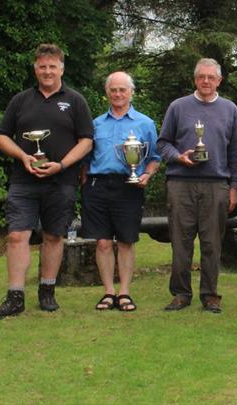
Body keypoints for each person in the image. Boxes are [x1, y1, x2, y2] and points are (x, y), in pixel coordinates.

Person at [0, 44, 94, 320]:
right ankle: (15, 297)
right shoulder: (20, 100)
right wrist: (23, 155)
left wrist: (63, 164)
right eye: (42, 66)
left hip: (62, 181)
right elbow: (2, 135)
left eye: (52, 66)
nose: (47, 71)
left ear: (61, 68)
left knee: (54, 235)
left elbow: (86, 140)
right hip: (24, 180)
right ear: (35, 69)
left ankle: (47, 291)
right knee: (16, 235)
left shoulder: (75, 100)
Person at [157, 58, 237, 314]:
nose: (206, 81)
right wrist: (178, 157)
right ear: (195, 79)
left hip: (216, 184)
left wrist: (234, 186)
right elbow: (163, 144)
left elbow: (236, 152)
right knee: (180, 242)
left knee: (212, 243)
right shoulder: (178, 107)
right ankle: (181, 294)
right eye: (201, 77)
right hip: (181, 183)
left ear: (219, 80)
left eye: (211, 77)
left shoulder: (229, 109)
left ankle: (210, 295)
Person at [80, 72, 161, 312]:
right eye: (113, 90)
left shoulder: (145, 123)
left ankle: (124, 292)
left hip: (130, 186)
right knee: (103, 242)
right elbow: (85, 157)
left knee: (126, 241)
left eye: (122, 90)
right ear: (107, 93)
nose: (117, 94)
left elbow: (155, 158)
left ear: (131, 92)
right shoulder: (95, 124)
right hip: (97, 186)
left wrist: (147, 174)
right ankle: (108, 292)